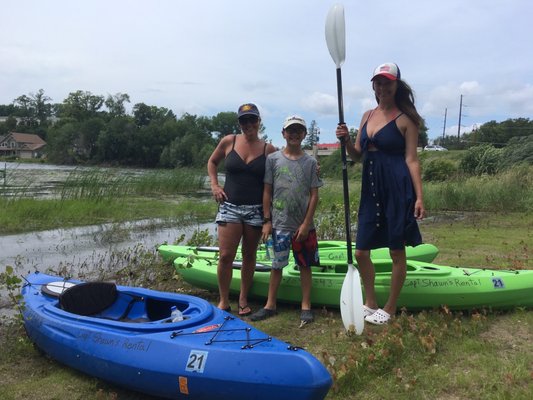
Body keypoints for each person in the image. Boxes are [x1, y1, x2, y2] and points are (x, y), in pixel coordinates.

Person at [335, 62, 426, 325]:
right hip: (371, 186)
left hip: (397, 186)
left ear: (397, 84)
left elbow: (412, 160)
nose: (382, 86)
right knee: (361, 252)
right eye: (378, 82)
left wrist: (419, 196)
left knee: (397, 251)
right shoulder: (367, 115)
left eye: (387, 81)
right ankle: (371, 301)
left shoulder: (406, 119)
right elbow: (357, 155)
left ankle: (390, 307)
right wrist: (345, 141)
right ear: (374, 86)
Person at [250, 115, 323, 325]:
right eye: (290, 130)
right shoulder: (273, 160)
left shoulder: (310, 162)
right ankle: (270, 305)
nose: (294, 134)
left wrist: (307, 223)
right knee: (276, 265)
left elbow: (314, 195)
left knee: (305, 265)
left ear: (304, 135)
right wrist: (267, 220)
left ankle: (306, 305)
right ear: (283, 133)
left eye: (298, 131)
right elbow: (267, 191)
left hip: (303, 226)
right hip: (279, 224)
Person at [207, 103, 277, 316]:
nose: (248, 124)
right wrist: (215, 185)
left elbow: (285, 169)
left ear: (259, 122)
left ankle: (243, 299)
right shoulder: (229, 141)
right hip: (230, 207)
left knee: (249, 255)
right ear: (239, 123)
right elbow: (212, 162)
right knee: (226, 255)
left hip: (256, 210)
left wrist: (312, 166)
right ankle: (224, 300)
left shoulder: (269, 149)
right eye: (243, 120)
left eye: (252, 120)